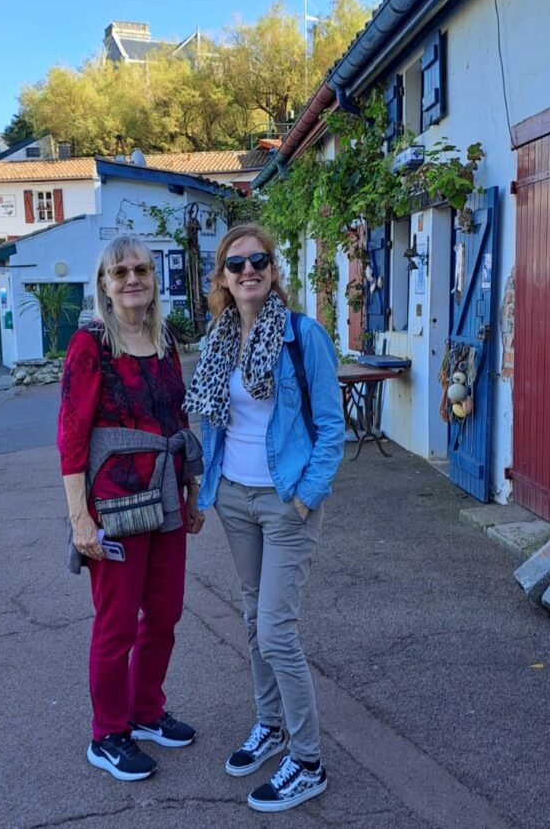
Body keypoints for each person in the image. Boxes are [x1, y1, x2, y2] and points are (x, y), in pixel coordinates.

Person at [184, 224, 344, 813]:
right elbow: (215, 421)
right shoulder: (220, 339)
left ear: (273, 271)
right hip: (235, 499)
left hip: (286, 501)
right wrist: (212, 484)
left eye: (258, 261)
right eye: (236, 263)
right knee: (254, 619)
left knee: (277, 629)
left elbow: (331, 428)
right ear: (222, 279)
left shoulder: (304, 336)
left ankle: (307, 761)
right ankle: (270, 725)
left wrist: (304, 497)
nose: (248, 270)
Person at [57, 234, 205, 782]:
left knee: (165, 612)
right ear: (105, 285)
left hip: (165, 498)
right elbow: (71, 437)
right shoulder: (90, 344)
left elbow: (177, 419)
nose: (133, 279)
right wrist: (80, 519)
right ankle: (108, 733)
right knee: (116, 623)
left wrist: (191, 491)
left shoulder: (164, 339)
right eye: (120, 273)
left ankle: (145, 712)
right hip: (116, 503)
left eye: (141, 269)